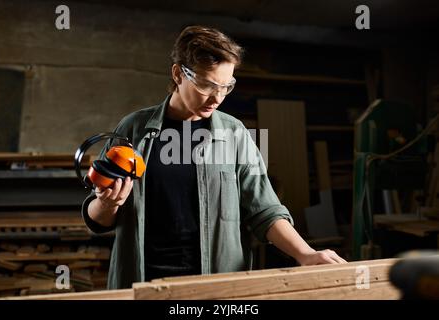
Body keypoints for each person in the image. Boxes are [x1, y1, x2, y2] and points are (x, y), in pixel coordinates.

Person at [82, 25, 346, 290]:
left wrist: (305, 253)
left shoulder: (235, 134)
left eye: (226, 86)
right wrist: (107, 204)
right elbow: (97, 219)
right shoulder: (133, 129)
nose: (218, 97)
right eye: (207, 85)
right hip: (144, 282)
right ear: (178, 74)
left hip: (216, 285)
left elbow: (264, 209)